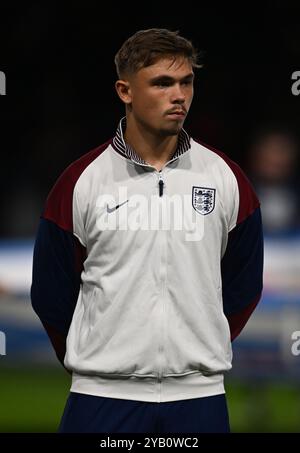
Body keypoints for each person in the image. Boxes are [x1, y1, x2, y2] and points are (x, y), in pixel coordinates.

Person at [31, 28, 264, 433]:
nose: (180, 96)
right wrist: (100, 359)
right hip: (100, 399)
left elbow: (243, 286)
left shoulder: (227, 179)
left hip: (199, 398)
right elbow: (51, 293)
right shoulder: (81, 182)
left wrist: (198, 345)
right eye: (162, 83)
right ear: (125, 91)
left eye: (186, 82)